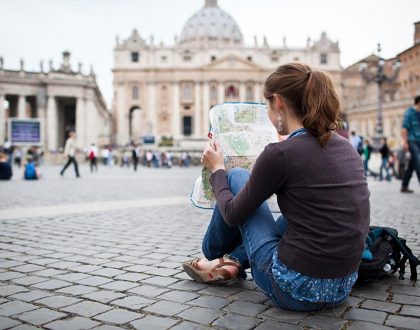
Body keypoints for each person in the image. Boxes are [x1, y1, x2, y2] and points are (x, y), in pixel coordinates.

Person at [182, 63, 370, 311]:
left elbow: (232, 213)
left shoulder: (281, 154)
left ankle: (214, 255)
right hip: (340, 287)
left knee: (236, 176)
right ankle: (234, 261)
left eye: (267, 106)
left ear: (278, 102)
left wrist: (218, 170)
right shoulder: (346, 147)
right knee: (302, 211)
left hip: (294, 289)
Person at [401, 95, 420, 193]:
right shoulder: (409, 113)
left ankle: (404, 186)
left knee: (412, 164)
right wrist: (405, 142)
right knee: (418, 163)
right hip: (412, 141)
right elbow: (404, 128)